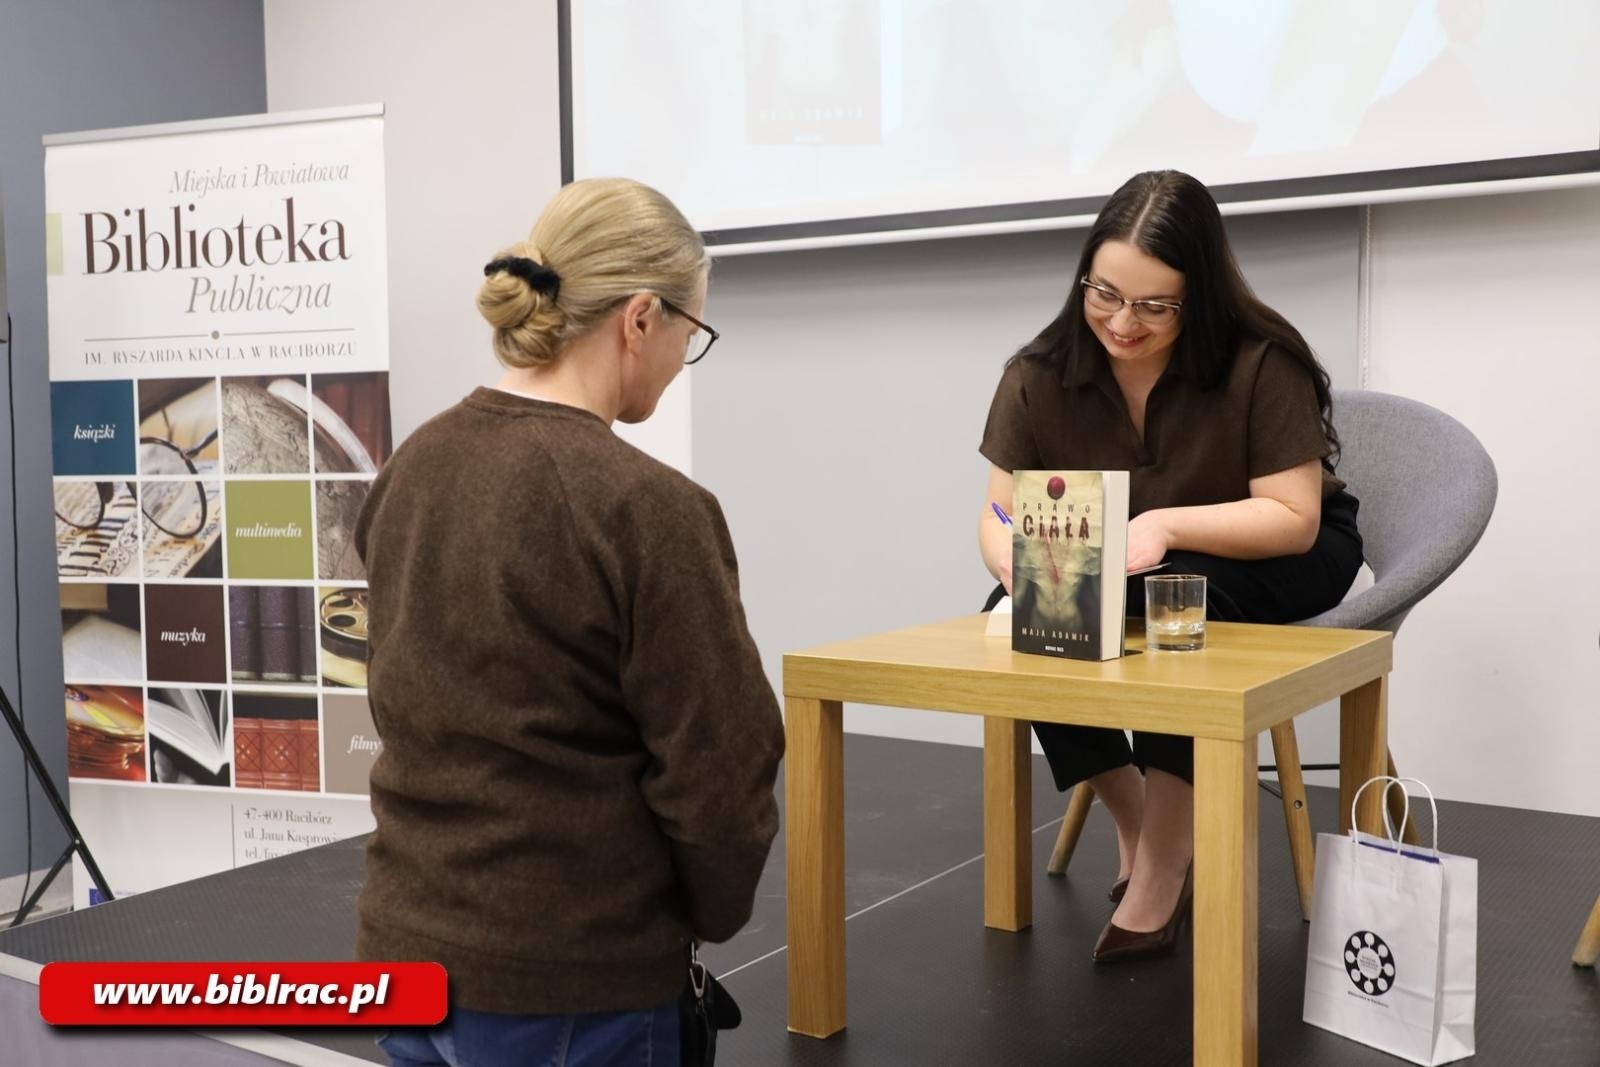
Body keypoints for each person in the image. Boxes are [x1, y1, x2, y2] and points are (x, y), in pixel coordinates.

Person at [356, 177, 786, 1065]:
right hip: (571, 986)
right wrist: (703, 915)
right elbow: (720, 766)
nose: (680, 359)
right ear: (639, 318)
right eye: (688, 334)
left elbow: (408, 696)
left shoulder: (413, 467)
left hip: (404, 958)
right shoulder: (648, 509)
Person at [976, 170, 1363, 964]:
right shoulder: (1039, 373)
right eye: (1105, 294)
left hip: (1274, 551)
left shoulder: (1261, 361)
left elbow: (1293, 518)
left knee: (1169, 598)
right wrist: (1021, 567)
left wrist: (1161, 523)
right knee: (1034, 609)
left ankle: (1164, 861)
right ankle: (1136, 809)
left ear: (1201, 295)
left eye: (1155, 306)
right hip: (1140, 566)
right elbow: (998, 513)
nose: (1123, 322)